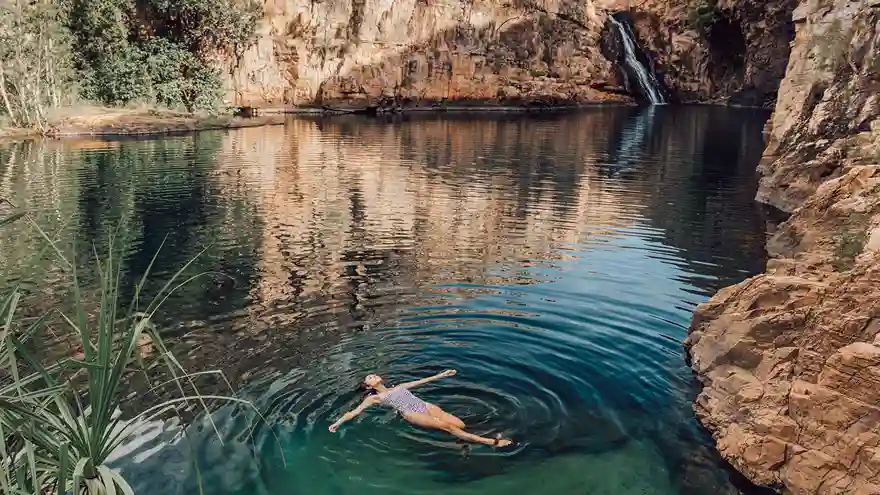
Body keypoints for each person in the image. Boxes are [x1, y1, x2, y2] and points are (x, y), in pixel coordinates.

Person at [329, 369, 513, 447]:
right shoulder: (375, 398)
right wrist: (337, 423)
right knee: (448, 427)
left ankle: (461, 440)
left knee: (460, 424)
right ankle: (490, 443)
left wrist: (441, 375)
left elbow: (420, 381)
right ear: (369, 386)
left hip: (424, 405)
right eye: (370, 378)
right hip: (411, 413)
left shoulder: (398, 386)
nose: (374, 376)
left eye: (374, 374)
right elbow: (354, 412)